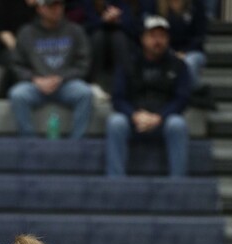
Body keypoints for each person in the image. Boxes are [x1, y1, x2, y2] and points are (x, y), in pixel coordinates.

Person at [105, 15, 191, 177]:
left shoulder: (178, 65)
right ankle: (115, 181)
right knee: (115, 123)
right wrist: (134, 115)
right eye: (152, 36)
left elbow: (182, 99)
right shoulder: (127, 63)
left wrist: (160, 117)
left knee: (178, 125)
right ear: (142, 38)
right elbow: (117, 98)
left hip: (163, 120)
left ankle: (178, 182)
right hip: (135, 120)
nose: (157, 41)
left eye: (162, 36)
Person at [8, 0, 93, 139]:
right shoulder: (26, 32)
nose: (57, 9)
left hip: (65, 84)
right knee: (17, 94)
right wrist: (35, 79)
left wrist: (62, 77)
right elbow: (16, 65)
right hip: (36, 85)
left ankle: (76, 143)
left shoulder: (75, 31)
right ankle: (29, 142)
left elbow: (83, 64)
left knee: (85, 93)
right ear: (40, 9)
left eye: (60, 5)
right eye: (51, 6)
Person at [82, 0, 143, 91]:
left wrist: (118, 21)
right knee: (98, 37)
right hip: (95, 47)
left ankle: (126, 85)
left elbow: (134, 30)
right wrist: (102, 20)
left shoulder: (121, 4)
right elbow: (84, 29)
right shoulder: (87, 4)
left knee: (119, 38)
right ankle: (92, 84)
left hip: (121, 46)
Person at [154, 0, 208, 88]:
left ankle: (190, 97)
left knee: (189, 63)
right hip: (165, 49)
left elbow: (200, 36)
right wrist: (169, 52)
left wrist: (184, 52)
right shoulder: (157, 5)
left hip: (192, 51)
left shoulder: (195, 5)